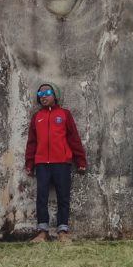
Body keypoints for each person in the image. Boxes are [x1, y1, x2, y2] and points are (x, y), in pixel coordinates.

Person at [25, 82, 87, 243]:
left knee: (63, 196)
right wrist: (30, 163)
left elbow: (74, 138)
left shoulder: (65, 114)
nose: (43, 96)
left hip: (62, 163)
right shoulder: (37, 117)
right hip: (42, 164)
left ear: (55, 95)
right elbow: (32, 142)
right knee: (42, 197)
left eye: (47, 93)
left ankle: (63, 231)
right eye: (40, 94)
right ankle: (42, 232)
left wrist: (80, 160)